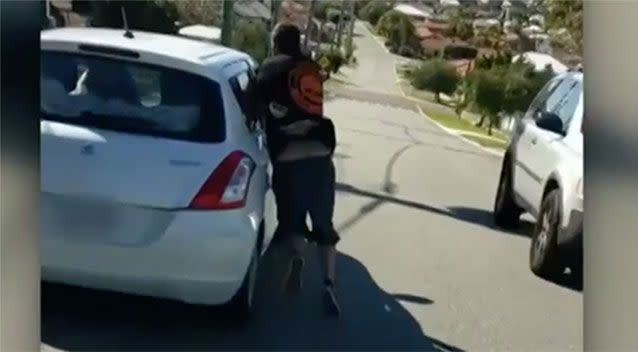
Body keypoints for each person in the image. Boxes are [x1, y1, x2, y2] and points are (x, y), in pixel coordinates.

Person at [246, 23, 341, 316]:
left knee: (293, 223)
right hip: (321, 149)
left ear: (275, 43)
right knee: (325, 227)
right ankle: (327, 284)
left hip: (288, 154)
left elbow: (253, 110)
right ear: (297, 43)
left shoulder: (268, 68)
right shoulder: (311, 68)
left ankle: (298, 256)